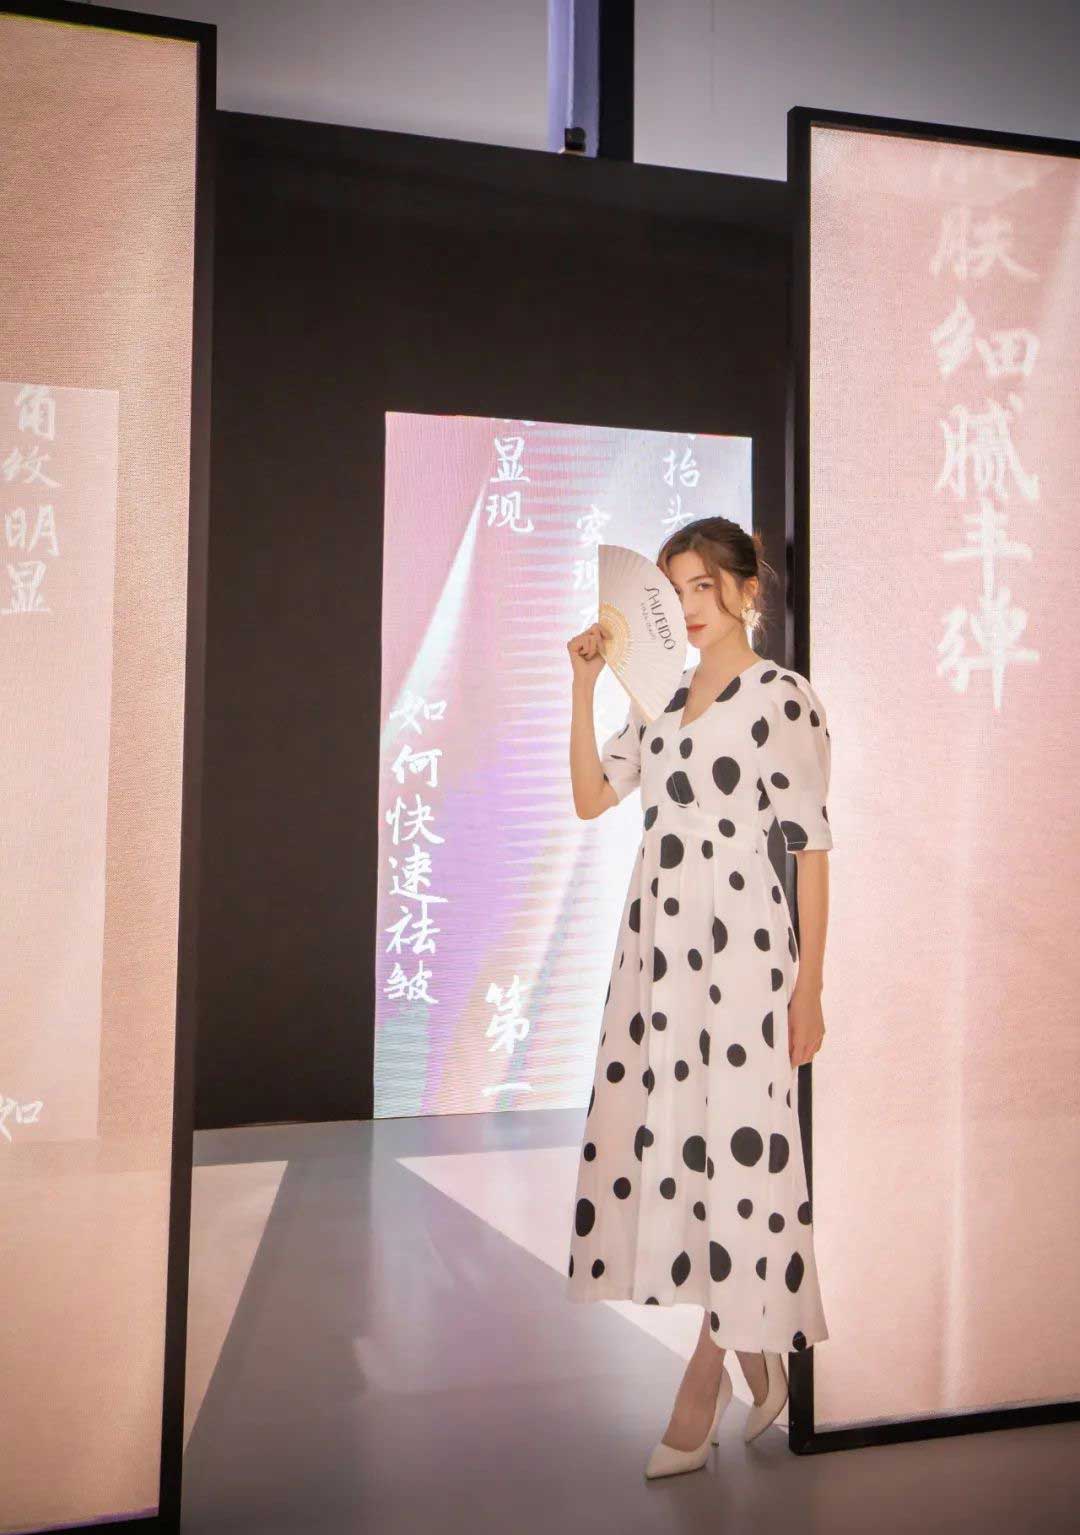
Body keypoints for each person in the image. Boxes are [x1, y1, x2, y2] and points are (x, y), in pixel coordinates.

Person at [564, 517, 833, 1480]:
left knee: (742, 1151)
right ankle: (756, 1354)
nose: (686, 607)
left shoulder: (782, 697)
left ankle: (707, 1372)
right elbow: (592, 798)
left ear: (747, 590)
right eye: (675, 588)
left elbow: (810, 847)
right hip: (659, 950)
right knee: (683, 1148)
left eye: (703, 586)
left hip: (744, 950)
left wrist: (810, 987)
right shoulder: (663, 697)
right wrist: (585, 684)